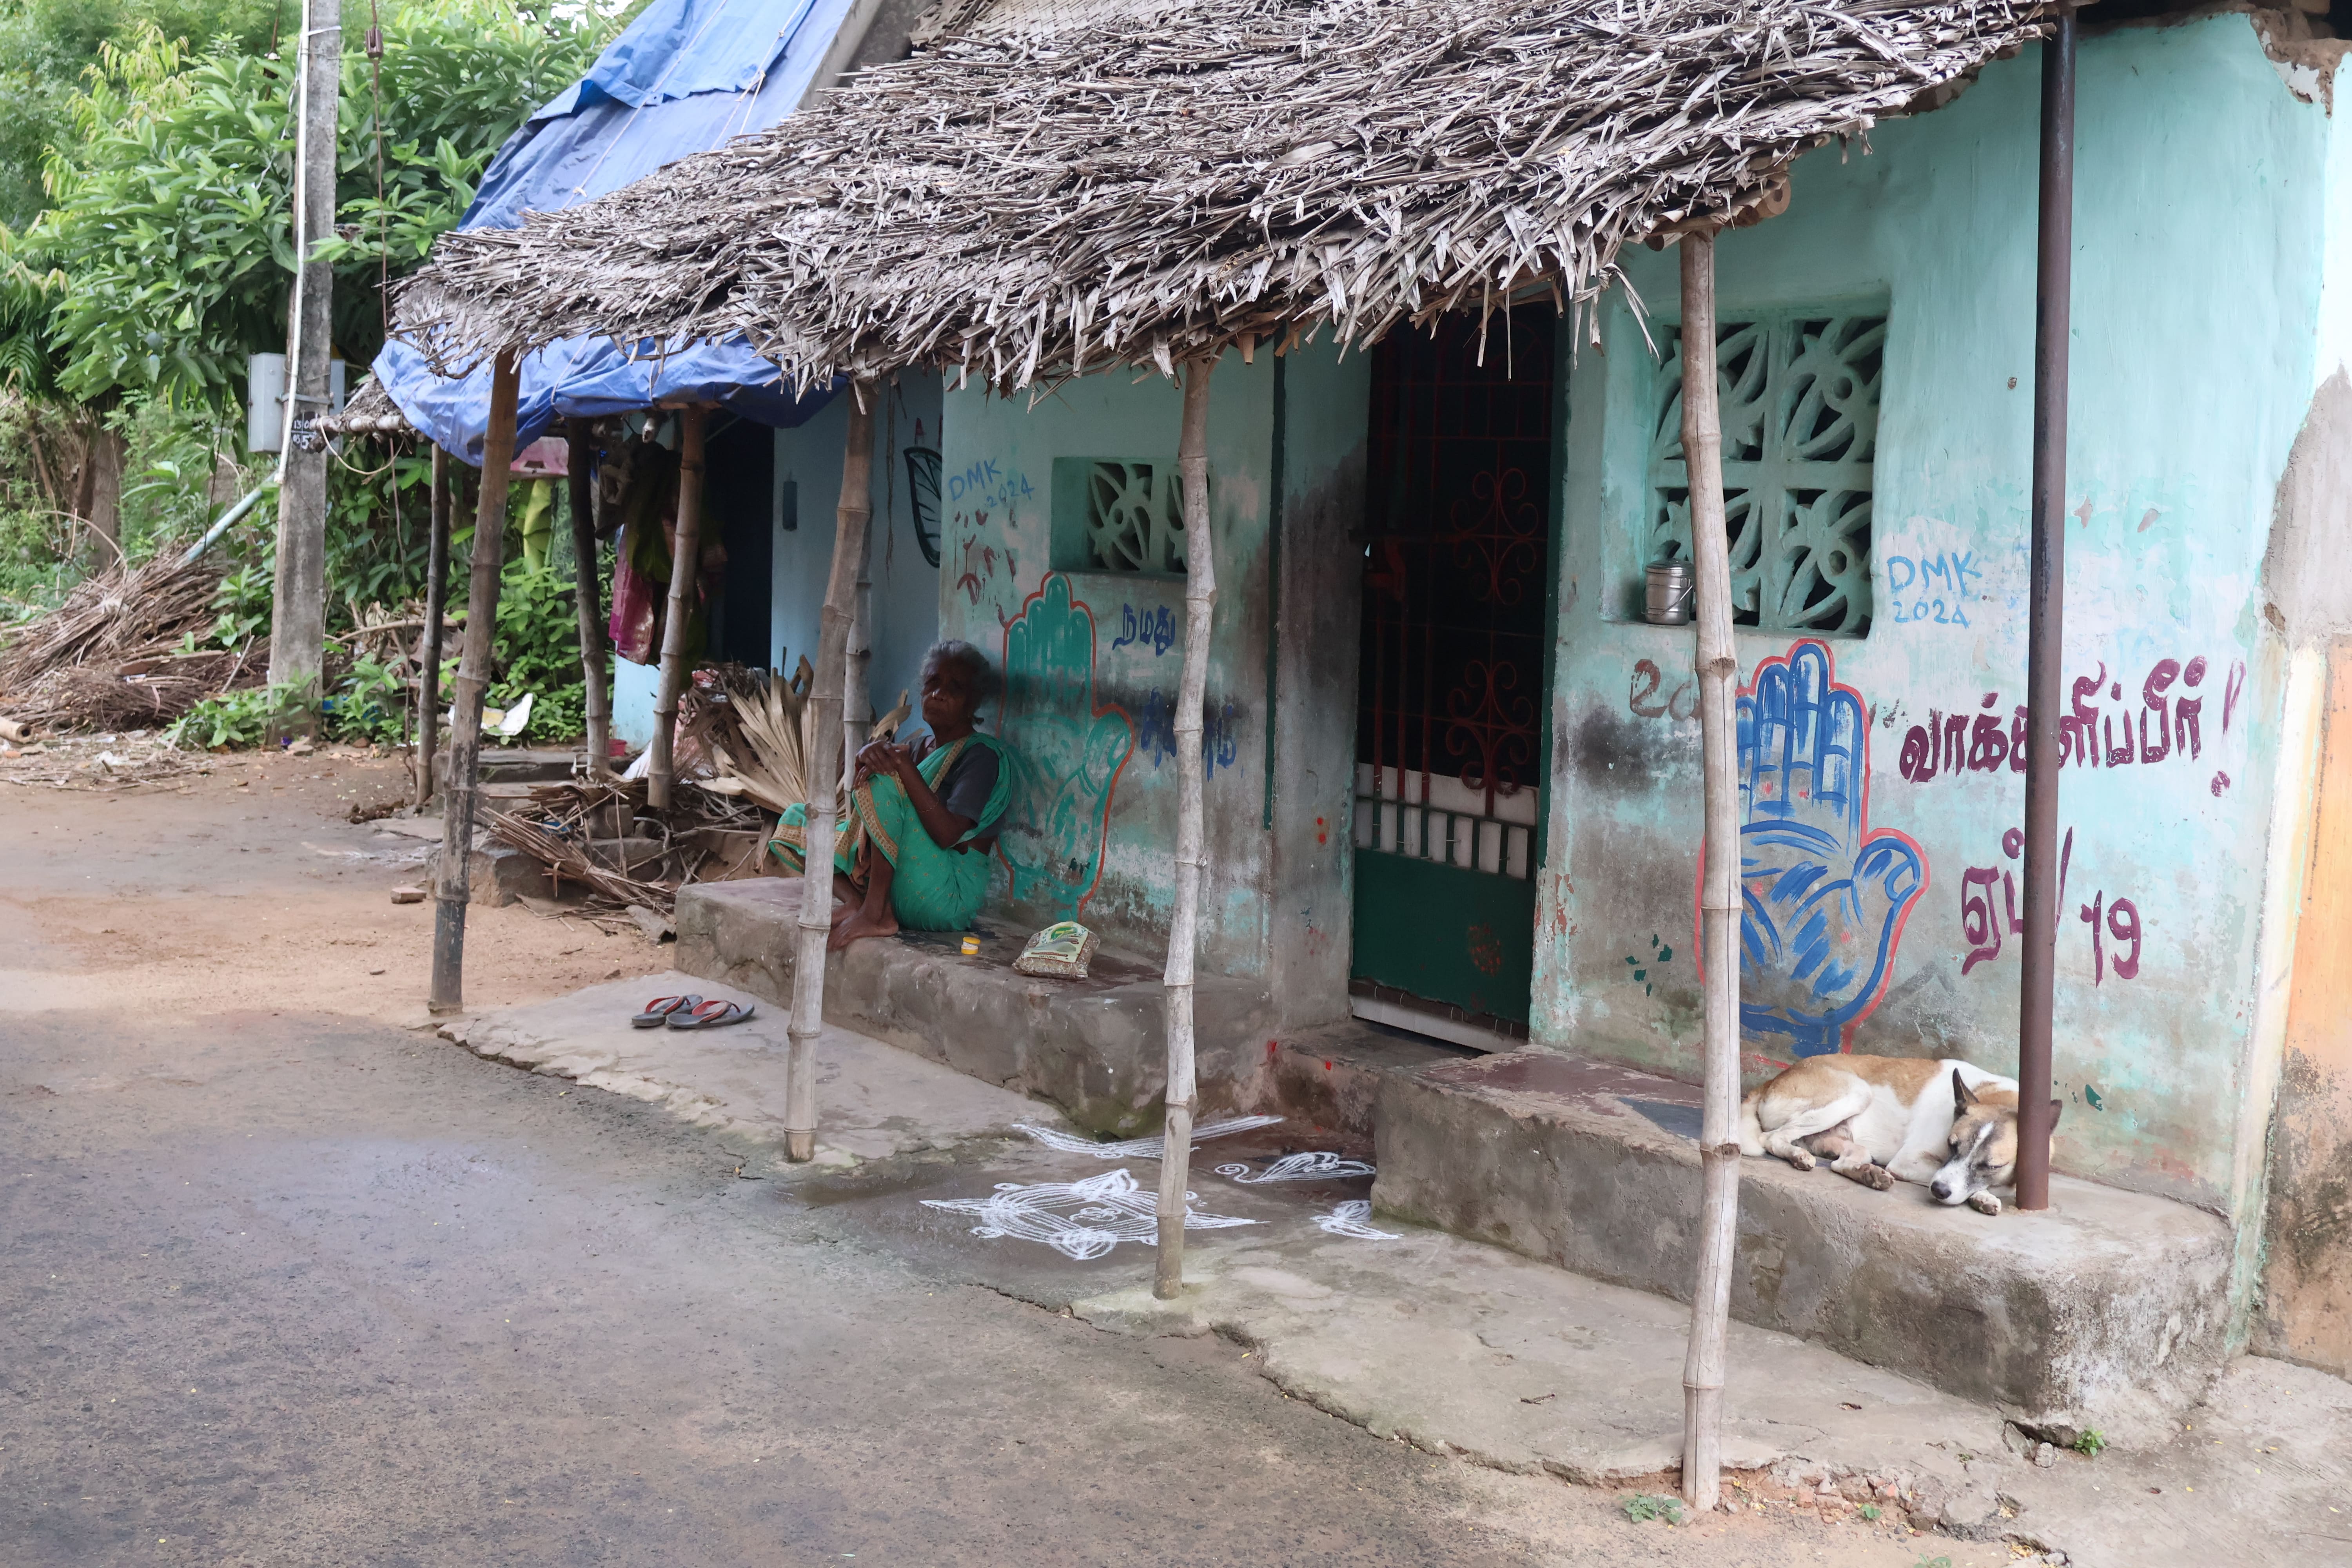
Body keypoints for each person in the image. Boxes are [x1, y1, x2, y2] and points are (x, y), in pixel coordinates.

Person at [768, 640, 1010, 950]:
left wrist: (900, 768)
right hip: (901, 886)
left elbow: (949, 835)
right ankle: (857, 902)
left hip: (945, 895)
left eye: (956, 688)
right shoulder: (916, 748)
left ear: (973, 702)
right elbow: (869, 815)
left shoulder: (981, 756)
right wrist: (865, 758)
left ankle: (875, 914)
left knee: (885, 775)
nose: (939, 694)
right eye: (933, 683)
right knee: (798, 818)